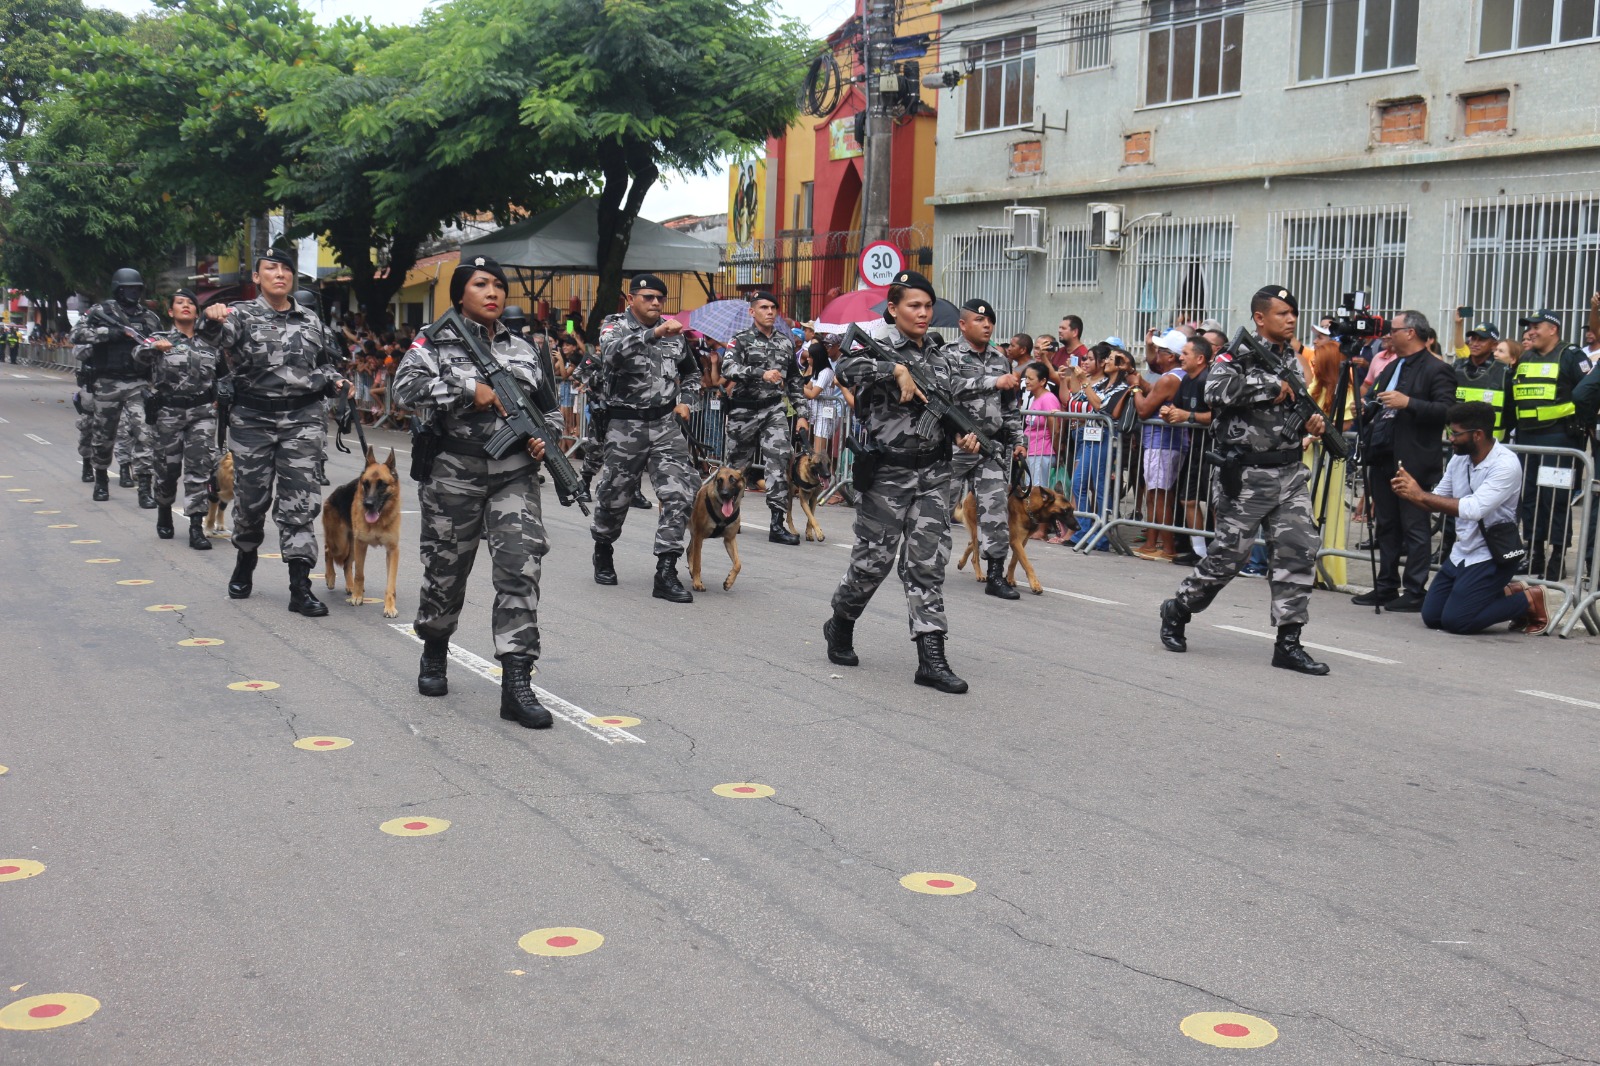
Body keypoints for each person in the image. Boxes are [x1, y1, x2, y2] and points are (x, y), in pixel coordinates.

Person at [392, 255, 559, 730]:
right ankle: (435, 648)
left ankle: (517, 681)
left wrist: (543, 438)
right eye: (481, 284)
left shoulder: (525, 350)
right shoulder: (433, 342)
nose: (493, 292)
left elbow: (547, 409)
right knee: (446, 568)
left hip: (514, 473)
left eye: (499, 286)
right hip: (454, 471)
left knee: (520, 569)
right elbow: (406, 388)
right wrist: (471, 389)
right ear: (460, 293)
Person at [1158, 285, 1331, 675]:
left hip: (1288, 472)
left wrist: (1312, 422)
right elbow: (1214, 392)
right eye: (1283, 313)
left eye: (1293, 313)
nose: (1291, 319)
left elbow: (1295, 407)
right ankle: (1179, 607)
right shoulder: (1235, 355)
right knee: (1228, 557)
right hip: (1247, 474)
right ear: (1260, 318)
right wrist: (1270, 386)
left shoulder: (1293, 358)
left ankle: (1289, 641)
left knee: (1299, 550)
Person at [823, 270, 980, 693]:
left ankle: (931, 656)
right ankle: (841, 620)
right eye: (914, 305)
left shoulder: (943, 357)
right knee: (873, 563)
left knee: (927, 565)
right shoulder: (878, 348)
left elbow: (949, 410)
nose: (923, 313)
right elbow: (844, 366)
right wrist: (894, 368)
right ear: (893, 309)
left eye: (928, 306)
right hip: (887, 475)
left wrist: (964, 434)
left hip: (933, 473)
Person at [200, 248, 351, 616]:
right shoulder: (240, 315)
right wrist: (212, 318)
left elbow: (321, 365)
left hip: (302, 420)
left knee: (300, 502)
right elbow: (212, 340)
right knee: (251, 502)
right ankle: (246, 556)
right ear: (257, 277)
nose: (279, 274)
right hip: (253, 420)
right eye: (271, 268)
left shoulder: (311, 319)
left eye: (286, 269)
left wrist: (336, 381)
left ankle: (300, 587)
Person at [588, 274, 701, 601]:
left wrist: (686, 402)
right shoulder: (614, 327)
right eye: (648, 297)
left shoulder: (674, 335)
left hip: (665, 425)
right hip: (625, 426)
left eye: (660, 299)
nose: (655, 303)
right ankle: (603, 547)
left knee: (678, 493)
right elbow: (610, 356)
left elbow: (691, 372)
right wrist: (653, 333)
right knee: (614, 498)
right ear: (631, 298)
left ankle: (666, 570)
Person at [1390, 402, 1546, 635]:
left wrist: (1419, 494)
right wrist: (1408, 492)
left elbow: (1474, 509)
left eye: (1456, 433)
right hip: (1462, 552)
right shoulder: (1459, 459)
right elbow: (1438, 499)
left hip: (1492, 555)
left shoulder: (1505, 464)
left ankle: (1529, 599)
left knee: (1457, 622)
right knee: (1432, 616)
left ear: (1478, 435)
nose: (1450, 438)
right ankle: (1507, 592)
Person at [1350, 310, 1457, 612]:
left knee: (1414, 525)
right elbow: (1375, 399)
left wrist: (1408, 403)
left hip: (1412, 459)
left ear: (1410, 332)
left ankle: (1414, 589)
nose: (1388, 335)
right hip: (1383, 453)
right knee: (1386, 525)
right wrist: (1364, 408)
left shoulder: (1437, 369)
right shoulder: (1392, 365)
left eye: (1393, 330)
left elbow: (1447, 410)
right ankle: (1385, 586)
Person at [945, 298, 1026, 598]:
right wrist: (994, 381)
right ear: (963, 324)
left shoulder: (1000, 359)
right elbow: (950, 388)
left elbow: (1010, 407)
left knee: (995, 510)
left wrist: (1017, 442)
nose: (987, 325)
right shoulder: (948, 355)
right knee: (938, 508)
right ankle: (922, 562)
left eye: (990, 320)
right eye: (980, 321)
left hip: (990, 447)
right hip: (955, 445)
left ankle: (995, 574)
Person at [135, 289, 221, 550]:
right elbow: (137, 355)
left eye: (191, 304)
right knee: (167, 469)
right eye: (179, 303)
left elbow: (225, 373)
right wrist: (153, 347)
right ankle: (164, 507)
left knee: (199, 469)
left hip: (202, 413)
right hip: (168, 413)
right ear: (171, 312)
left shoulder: (210, 342)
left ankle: (196, 526)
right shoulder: (159, 339)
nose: (186, 306)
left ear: (197, 312)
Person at [720, 290, 808, 545]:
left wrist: (802, 413)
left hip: (773, 410)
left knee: (779, 461)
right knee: (735, 468)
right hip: (743, 411)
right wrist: (761, 373)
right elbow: (728, 368)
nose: (770, 312)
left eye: (773, 308)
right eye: (764, 308)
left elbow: (794, 380)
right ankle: (729, 516)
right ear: (752, 312)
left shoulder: (785, 342)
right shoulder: (740, 340)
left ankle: (777, 523)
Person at [71, 267, 163, 507]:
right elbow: (77, 334)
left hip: (138, 382)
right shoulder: (102, 312)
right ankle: (101, 479)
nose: (134, 293)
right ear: (118, 290)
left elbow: (159, 345)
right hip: (107, 382)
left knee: (145, 433)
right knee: (103, 435)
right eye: (128, 288)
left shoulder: (149, 318)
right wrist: (111, 333)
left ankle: (144, 487)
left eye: (137, 288)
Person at [1510, 308, 1588, 581]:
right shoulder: (1525, 358)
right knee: (1530, 498)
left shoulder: (1571, 355)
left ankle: (1557, 557)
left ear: (1553, 329)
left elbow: (1589, 393)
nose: (1530, 331)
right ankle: (1534, 553)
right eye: (1528, 326)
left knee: (1554, 500)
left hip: (1559, 440)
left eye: (1536, 326)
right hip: (1527, 440)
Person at [1061, 343, 1134, 547]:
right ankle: (1083, 530)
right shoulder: (1101, 385)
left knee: (1101, 489)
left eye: (1114, 359)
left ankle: (1101, 537)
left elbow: (1103, 408)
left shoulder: (1122, 388)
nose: (1109, 361)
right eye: (1109, 358)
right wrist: (1073, 377)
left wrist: (1085, 382)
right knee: (1079, 484)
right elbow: (1078, 397)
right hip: (1089, 438)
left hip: (1104, 439)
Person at [1131, 329, 1189, 560]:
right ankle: (1152, 543)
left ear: (1171, 356)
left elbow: (1144, 410)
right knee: (1156, 495)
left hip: (1162, 443)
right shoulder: (1178, 376)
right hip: (1167, 443)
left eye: (1161, 351)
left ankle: (1167, 548)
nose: (1156, 354)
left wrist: (1135, 388)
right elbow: (1155, 395)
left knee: (1160, 495)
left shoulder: (1169, 379)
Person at [1162, 335, 1216, 567]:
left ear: (1200, 358)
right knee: (1188, 499)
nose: (1180, 357)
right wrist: (1168, 411)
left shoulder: (1210, 381)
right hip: (1194, 449)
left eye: (1185, 353)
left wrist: (1188, 417)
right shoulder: (1186, 380)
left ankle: (1219, 553)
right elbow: (1178, 407)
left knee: (1216, 503)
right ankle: (1200, 551)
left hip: (1214, 450)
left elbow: (1218, 417)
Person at [293, 288, 338, 487]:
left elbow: (336, 351)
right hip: (294, 387)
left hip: (319, 386)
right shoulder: (287, 326)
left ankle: (319, 468)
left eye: (307, 308)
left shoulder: (321, 328)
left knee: (318, 429)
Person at [1020, 361, 1063, 505]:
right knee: (1032, 490)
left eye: (1031, 379)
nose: (1026, 381)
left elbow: (1055, 429)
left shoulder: (1048, 399)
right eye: (1026, 378)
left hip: (1042, 452)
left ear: (1043, 381)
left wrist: (1056, 451)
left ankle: (1042, 527)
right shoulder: (1035, 398)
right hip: (1032, 453)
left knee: (1039, 493)